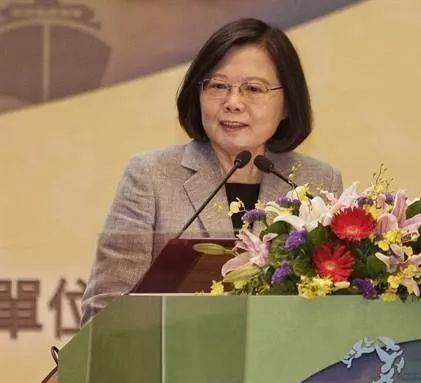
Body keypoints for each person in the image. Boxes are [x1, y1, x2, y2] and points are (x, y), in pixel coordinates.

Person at [81, 18, 343, 325]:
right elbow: (104, 311)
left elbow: (338, 308)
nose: (233, 103)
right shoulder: (151, 177)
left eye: (253, 89)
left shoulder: (316, 182)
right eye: (218, 86)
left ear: (287, 103)